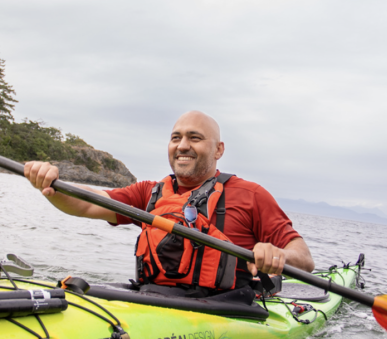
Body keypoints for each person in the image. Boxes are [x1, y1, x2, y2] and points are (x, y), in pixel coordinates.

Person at [23, 110, 314, 296]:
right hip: (153, 297)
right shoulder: (149, 193)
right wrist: (52, 184)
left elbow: (303, 257)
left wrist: (278, 255)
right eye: (176, 137)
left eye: (195, 138)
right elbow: (89, 203)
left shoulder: (251, 195)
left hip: (226, 307)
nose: (182, 145)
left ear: (219, 149)